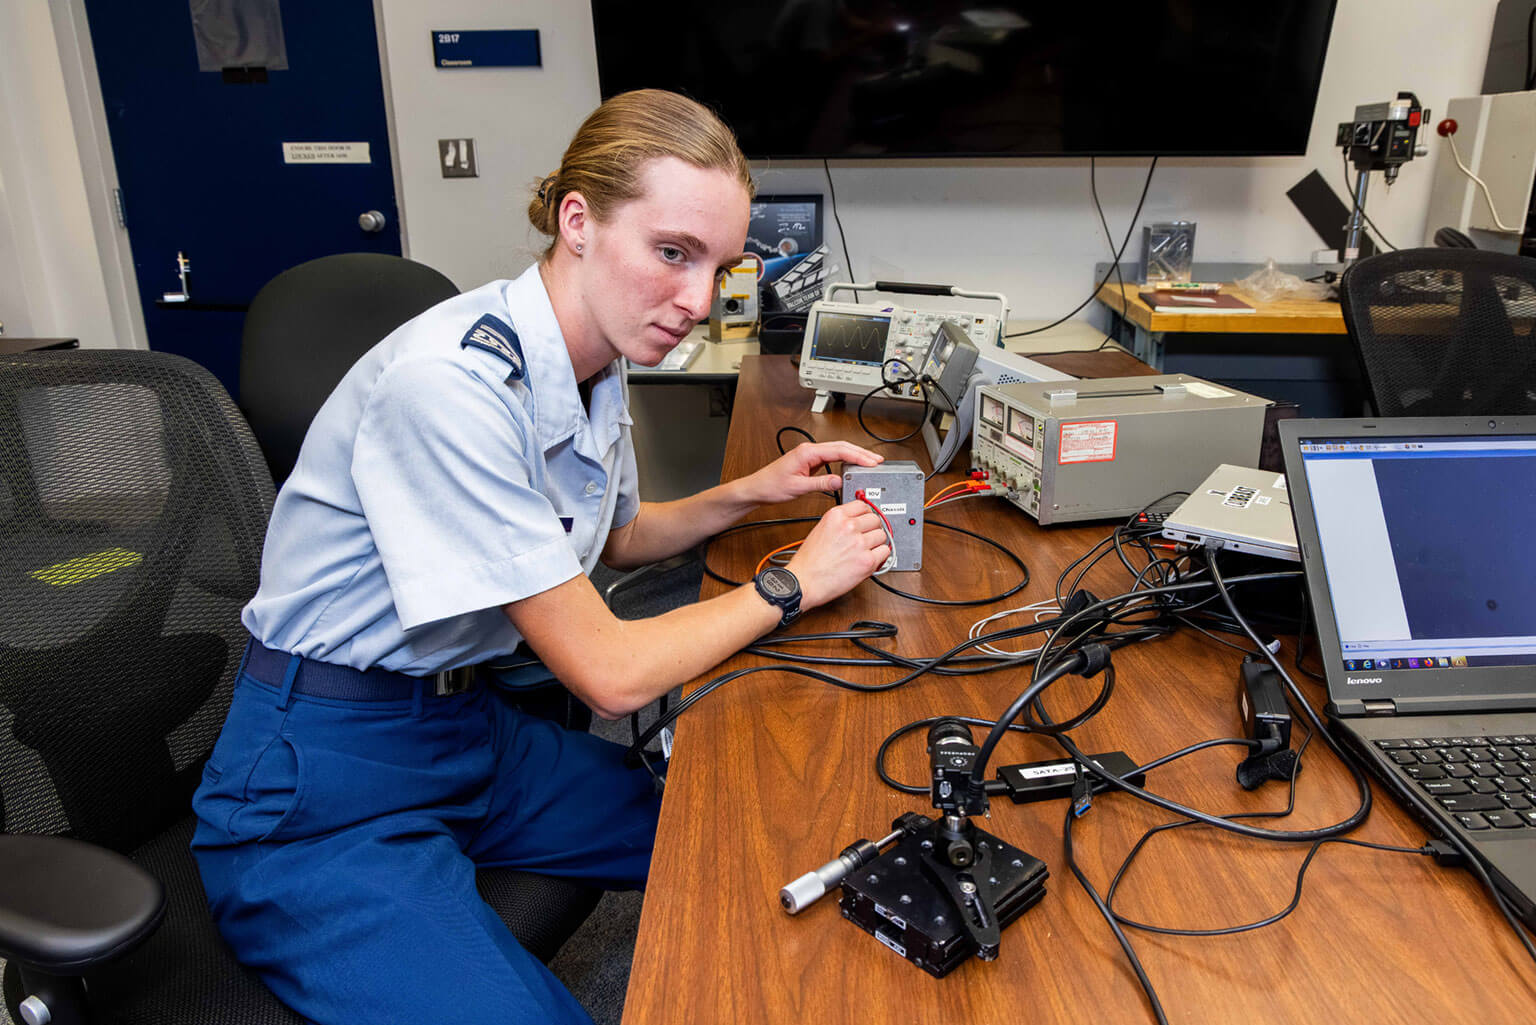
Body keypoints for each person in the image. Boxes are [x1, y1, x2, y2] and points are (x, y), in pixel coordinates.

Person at [190, 89, 891, 1024]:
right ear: (578, 221)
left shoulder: (588, 361)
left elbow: (618, 538)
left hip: (462, 731)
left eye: (718, 266)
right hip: (320, 784)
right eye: (672, 252)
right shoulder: (453, 387)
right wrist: (794, 580)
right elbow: (610, 675)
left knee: (749, 828)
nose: (696, 300)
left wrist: (755, 491)